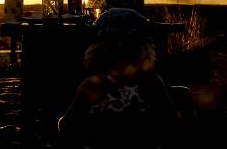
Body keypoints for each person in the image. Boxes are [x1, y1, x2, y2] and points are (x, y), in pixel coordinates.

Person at [58, 8, 181, 149]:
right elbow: (172, 125)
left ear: (100, 47)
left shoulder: (91, 86)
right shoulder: (152, 83)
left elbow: (66, 126)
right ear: (142, 47)